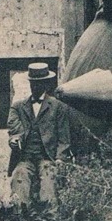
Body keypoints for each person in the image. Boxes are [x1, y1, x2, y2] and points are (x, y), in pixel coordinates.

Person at [7, 63, 71, 210]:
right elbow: (14, 131)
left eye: (39, 83)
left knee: (48, 187)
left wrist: (60, 158)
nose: (35, 87)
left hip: (47, 158)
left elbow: (64, 138)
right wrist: (15, 141)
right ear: (30, 83)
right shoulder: (17, 107)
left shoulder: (58, 107)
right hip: (25, 158)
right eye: (33, 83)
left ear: (46, 84)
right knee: (19, 179)